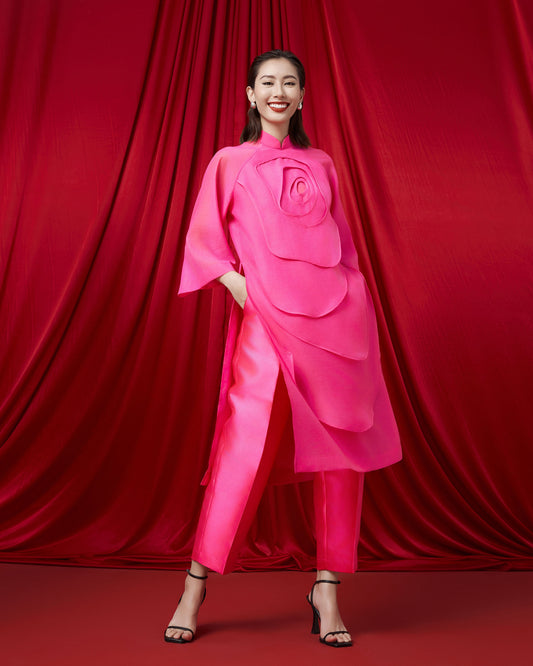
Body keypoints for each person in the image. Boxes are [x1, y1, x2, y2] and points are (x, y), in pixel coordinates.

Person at [165, 49, 402, 648]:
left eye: (289, 82)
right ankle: (193, 587)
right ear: (251, 95)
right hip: (266, 323)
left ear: (301, 96)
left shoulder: (322, 163)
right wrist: (239, 286)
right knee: (241, 447)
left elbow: (341, 245)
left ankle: (327, 591)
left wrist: (355, 298)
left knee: (342, 452)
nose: (278, 91)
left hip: (336, 323)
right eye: (267, 83)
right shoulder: (229, 161)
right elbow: (203, 243)